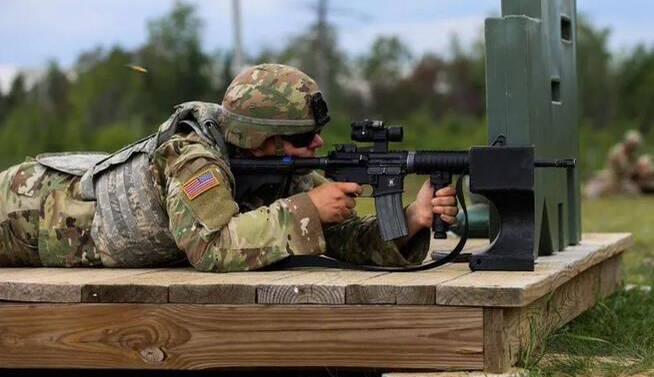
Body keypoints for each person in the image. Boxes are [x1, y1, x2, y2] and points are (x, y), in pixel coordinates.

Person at [0, 63, 458, 271]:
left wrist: (412, 221)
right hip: (26, 210)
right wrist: (306, 209)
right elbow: (212, 249)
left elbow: (341, 238)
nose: (316, 143)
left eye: (315, 132)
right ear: (261, 140)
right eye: (302, 137)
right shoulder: (193, 160)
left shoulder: (283, 166)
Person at [583, 130, 643, 198]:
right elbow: (624, 168)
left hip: (619, 181)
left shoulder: (628, 154)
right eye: (634, 146)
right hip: (613, 181)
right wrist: (636, 168)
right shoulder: (618, 151)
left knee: (635, 191)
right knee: (633, 192)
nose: (634, 148)